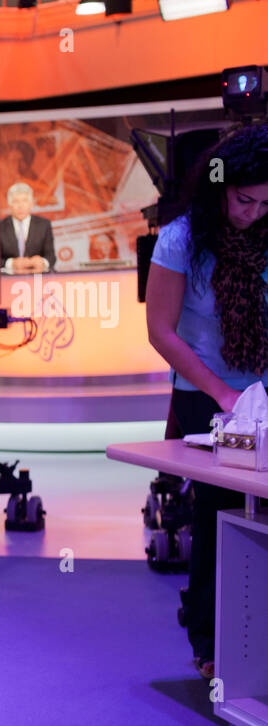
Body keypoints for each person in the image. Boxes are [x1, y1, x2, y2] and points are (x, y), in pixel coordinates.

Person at [145, 122, 268, 679]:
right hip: (207, 397)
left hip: (261, 396)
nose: (253, 213)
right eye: (245, 200)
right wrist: (224, 393)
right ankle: (211, 641)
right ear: (220, 186)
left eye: (266, 203)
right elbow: (161, 331)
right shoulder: (180, 238)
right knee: (218, 512)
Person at [0, 183, 55, 274]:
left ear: (31, 204)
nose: (20, 206)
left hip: (37, 279)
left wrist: (42, 262)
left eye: (24, 201)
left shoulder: (44, 224)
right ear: (9, 205)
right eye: (16, 201)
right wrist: (11, 263)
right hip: (7, 280)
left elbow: (51, 257)